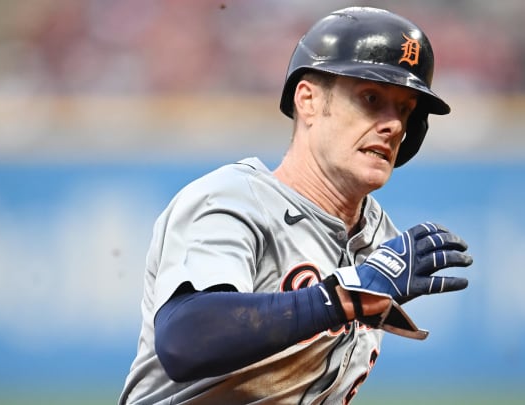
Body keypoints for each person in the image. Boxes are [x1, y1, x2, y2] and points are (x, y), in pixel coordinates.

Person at [119, 6, 473, 405]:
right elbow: (185, 340)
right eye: (371, 98)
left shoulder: (380, 242)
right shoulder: (233, 201)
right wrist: (339, 298)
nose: (393, 125)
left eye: (405, 110)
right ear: (307, 100)